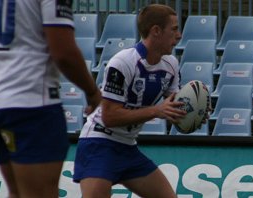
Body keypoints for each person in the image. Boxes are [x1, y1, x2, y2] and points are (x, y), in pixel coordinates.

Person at [73, 4, 190, 198]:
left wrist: (193, 113)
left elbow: (173, 108)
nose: (179, 35)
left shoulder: (171, 64)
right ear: (156, 31)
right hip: (98, 143)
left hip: (127, 147)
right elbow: (109, 117)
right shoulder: (122, 62)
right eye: (175, 29)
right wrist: (156, 111)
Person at [0, 1, 101, 197]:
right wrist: (92, 91)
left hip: (0, 101)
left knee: (17, 193)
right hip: (31, 102)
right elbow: (64, 53)